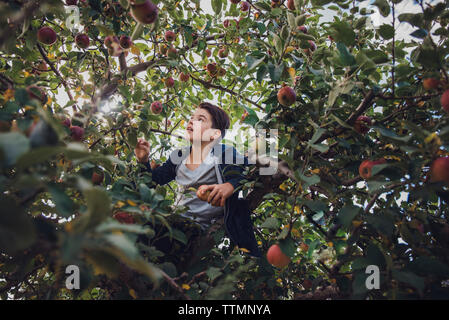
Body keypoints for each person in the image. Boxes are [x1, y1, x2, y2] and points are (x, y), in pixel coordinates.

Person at [134, 102, 261, 273]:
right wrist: (143, 161)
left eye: (200, 119)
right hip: (171, 223)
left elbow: (248, 169)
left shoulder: (224, 153)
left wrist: (230, 185)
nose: (192, 121)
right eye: (192, 118)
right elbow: (151, 182)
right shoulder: (179, 157)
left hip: (194, 230)